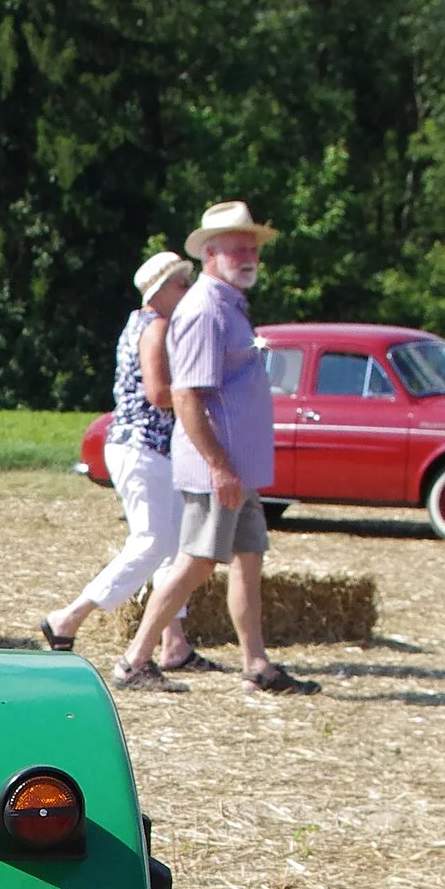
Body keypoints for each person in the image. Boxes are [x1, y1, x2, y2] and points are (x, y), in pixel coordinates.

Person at [117, 202, 317, 697]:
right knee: (195, 563)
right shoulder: (205, 309)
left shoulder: (229, 305)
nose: (249, 256)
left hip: (236, 467)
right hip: (218, 467)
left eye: (252, 247)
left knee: (249, 558)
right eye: (237, 247)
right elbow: (185, 395)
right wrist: (220, 467)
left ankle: (256, 664)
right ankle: (134, 660)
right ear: (211, 253)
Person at [39, 253, 210, 667]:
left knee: (170, 547)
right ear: (159, 291)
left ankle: (174, 644)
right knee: (152, 543)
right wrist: (201, 394)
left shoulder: (141, 322)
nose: (187, 290)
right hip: (144, 447)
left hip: (144, 448)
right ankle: (68, 618)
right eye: (180, 283)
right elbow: (158, 393)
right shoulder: (156, 327)